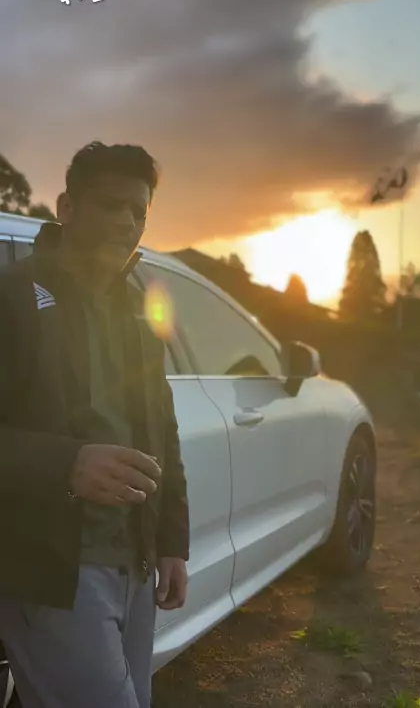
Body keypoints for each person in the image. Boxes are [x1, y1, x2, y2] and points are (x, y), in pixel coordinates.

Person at [0, 142, 190, 708]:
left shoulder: (139, 313)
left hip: (134, 564)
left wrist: (171, 543)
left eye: (138, 211)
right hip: (51, 573)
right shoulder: (12, 299)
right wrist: (65, 464)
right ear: (67, 207)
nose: (128, 222)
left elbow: (164, 432)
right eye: (111, 205)